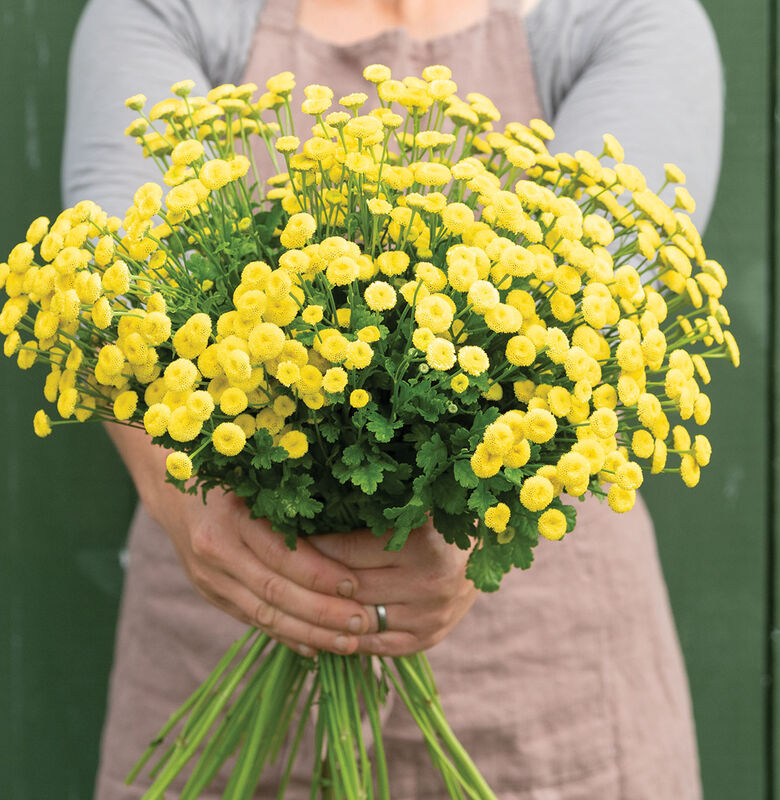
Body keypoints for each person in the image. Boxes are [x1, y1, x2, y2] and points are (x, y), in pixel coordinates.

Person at [63, 0, 724, 797]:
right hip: (220, 629)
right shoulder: (169, 9)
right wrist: (184, 505)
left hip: (549, 685)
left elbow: (602, 302)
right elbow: (110, 294)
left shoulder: (625, 13)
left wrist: (474, 536)